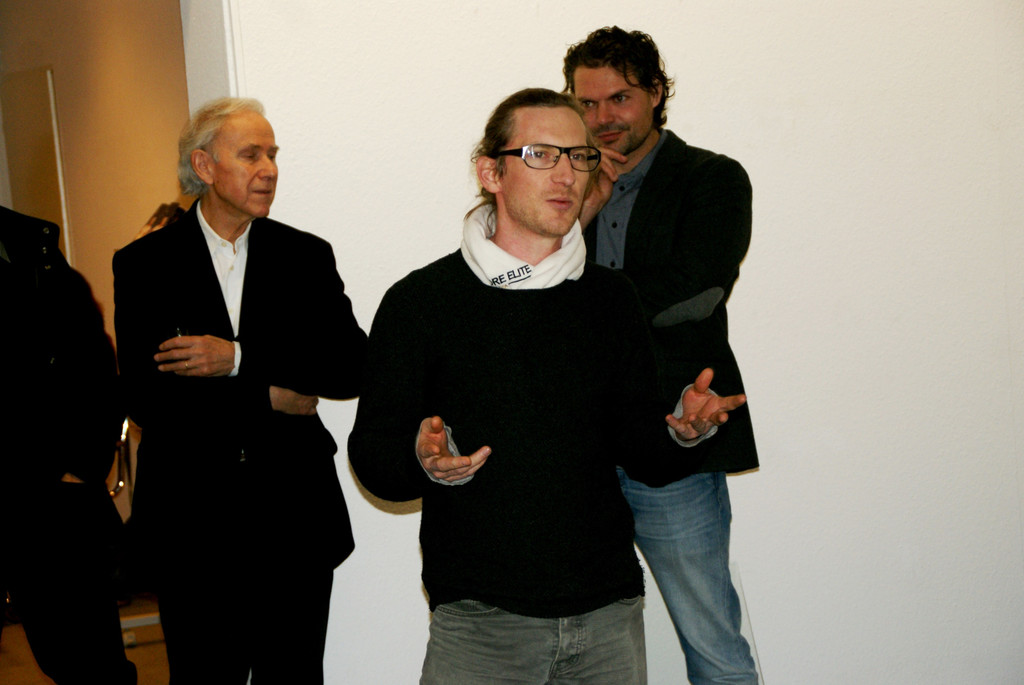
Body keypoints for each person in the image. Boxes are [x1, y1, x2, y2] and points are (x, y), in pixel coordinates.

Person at [348, 88, 745, 685]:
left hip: (607, 617)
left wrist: (683, 433)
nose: (566, 175)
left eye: (579, 157)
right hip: (481, 623)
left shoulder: (610, 299)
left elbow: (640, 450)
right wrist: (422, 460)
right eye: (540, 155)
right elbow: (372, 456)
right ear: (491, 172)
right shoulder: (422, 302)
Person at [112, 97, 367, 684]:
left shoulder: (305, 256)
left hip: (294, 523)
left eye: (273, 155)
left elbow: (350, 366)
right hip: (192, 526)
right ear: (203, 166)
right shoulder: (146, 264)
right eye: (251, 155)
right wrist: (271, 395)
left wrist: (238, 359)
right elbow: (149, 400)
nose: (269, 169)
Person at [563, 26, 760, 685]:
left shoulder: (710, 177)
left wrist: (582, 309)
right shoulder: (563, 188)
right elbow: (525, 286)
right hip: (575, 444)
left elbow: (695, 291)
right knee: (579, 646)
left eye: (618, 99)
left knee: (712, 643)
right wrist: (584, 207)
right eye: (586, 103)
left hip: (676, 434)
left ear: (655, 93)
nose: (602, 118)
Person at [0, 205, 137, 684]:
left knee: (87, 660)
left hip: (53, 502)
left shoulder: (39, 262)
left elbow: (99, 373)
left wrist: (78, 468)